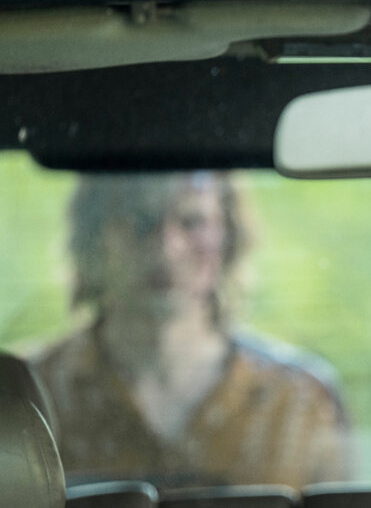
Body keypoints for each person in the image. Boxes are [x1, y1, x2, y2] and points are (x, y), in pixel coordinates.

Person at [35, 172, 350, 489]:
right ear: (95, 236)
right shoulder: (31, 391)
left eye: (192, 222)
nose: (166, 247)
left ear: (228, 237)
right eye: (140, 221)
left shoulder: (299, 400)